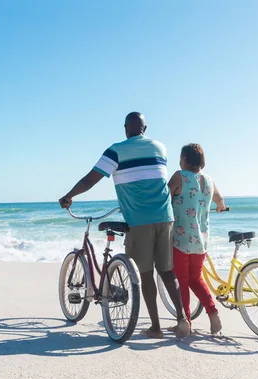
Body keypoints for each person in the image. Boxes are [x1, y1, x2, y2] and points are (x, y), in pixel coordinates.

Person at [59, 112, 191, 339]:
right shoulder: (160, 147)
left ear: (125, 129)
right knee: (167, 272)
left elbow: (91, 179)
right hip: (165, 216)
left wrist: (68, 196)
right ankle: (182, 320)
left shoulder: (116, 150)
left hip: (140, 220)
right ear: (145, 128)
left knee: (145, 274)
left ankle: (156, 328)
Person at [167, 143, 226, 334]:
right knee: (196, 278)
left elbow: (163, 198)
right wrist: (220, 207)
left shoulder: (179, 176)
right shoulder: (209, 179)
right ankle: (213, 313)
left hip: (180, 239)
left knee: (181, 281)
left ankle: (184, 322)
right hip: (201, 240)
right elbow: (219, 199)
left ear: (184, 158)